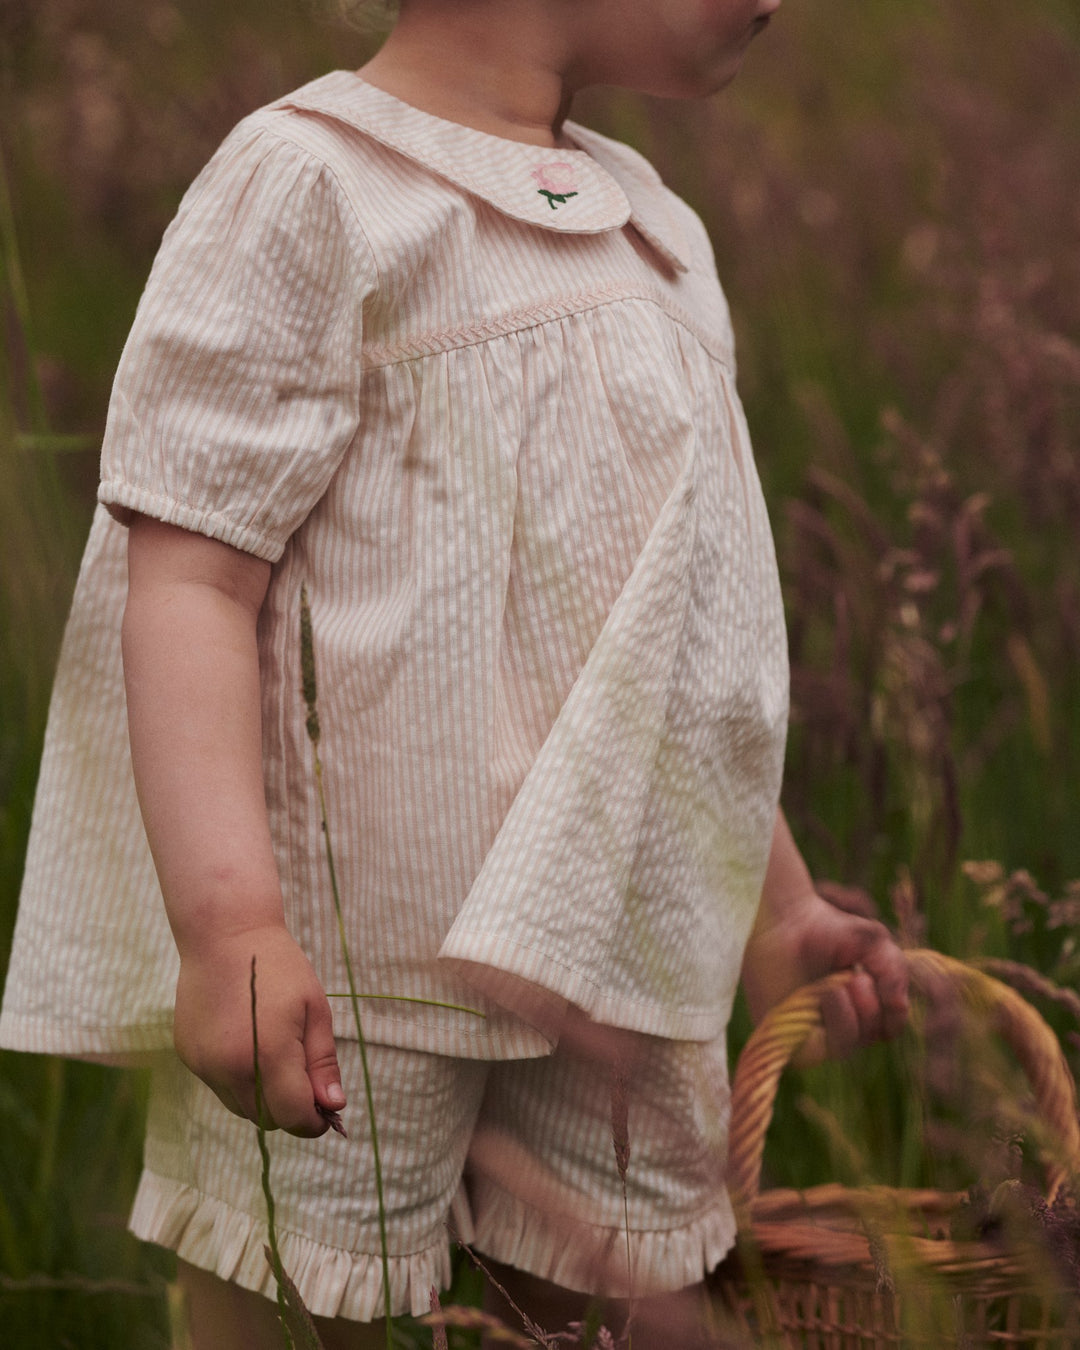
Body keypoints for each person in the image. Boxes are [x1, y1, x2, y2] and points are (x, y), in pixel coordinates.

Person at [0, 1, 910, 1345]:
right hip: (352, 950)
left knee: (608, 1299)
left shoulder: (656, 233)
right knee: (298, 1299)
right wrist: (231, 926)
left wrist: (771, 908)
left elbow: (674, 643)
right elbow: (193, 575)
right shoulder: (313, 185)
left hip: (617, 936)